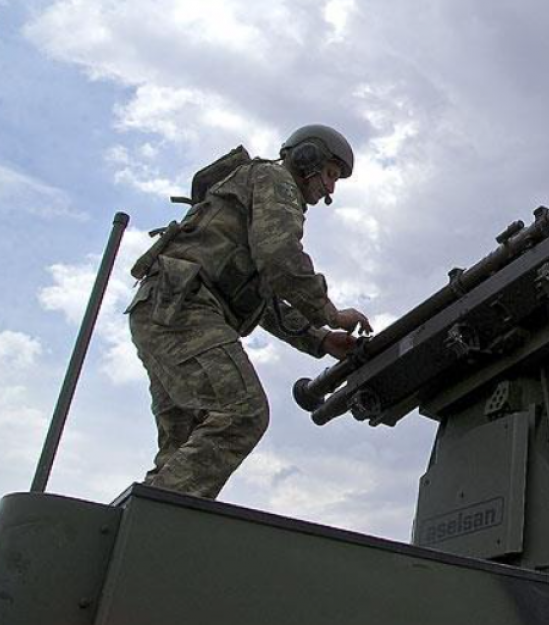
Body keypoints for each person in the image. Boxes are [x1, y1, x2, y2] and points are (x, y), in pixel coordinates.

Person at [125, 124, 373, 499]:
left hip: (165, 310)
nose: (330, 189)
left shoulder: (256, 187)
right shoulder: (276, 180)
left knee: (186, 445)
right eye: (330, 174)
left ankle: (148, 520)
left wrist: (321, 340)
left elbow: (267, 300)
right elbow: (280, 259)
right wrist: (331, 314)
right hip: (186, 309)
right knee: (242, 413)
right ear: (307, 158)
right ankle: (155, 521)